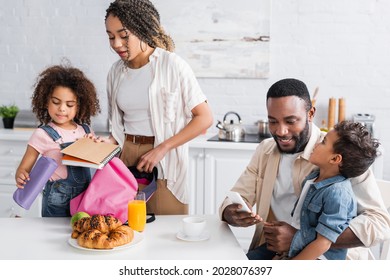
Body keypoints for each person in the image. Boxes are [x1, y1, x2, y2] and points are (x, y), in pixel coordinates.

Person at [219, 78, 390, 260]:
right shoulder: (265, 150)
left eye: (290, 121)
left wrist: (301, 238)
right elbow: (236, 197)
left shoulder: (340, 153)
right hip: (274, 251)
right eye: (273, 121)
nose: (281, 131)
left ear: (310, 114)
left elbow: (380, 223)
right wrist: (232, 213)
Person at [101, 0, 213, 215]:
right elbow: (117, 128)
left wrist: (161, 149)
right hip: (126, 157)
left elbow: (204, 117)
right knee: (127, 232)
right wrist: (104, 143)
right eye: (110, 36)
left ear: (143, 29)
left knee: (166, 235)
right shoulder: (115, 72)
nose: (116, 44)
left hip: (163, 159)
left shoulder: (172, 65)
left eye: (124, 36)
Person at [15, 63, 101, 217]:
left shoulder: (86, 131)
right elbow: (24, 168)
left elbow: (97, 164)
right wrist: (21, 175)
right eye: (56, 102)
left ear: (78, 106)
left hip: (84, 198)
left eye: (69, 105)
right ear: (46, 101)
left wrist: (93, 144)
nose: (62, 109)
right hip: (56, 200)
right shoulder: (42, 134)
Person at [286, 120, 379, 260]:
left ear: (335, 159)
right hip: (297, 250)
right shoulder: (314, 178)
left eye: (323, 142)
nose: (316, 144)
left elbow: (323, 243)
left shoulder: (338, 194)